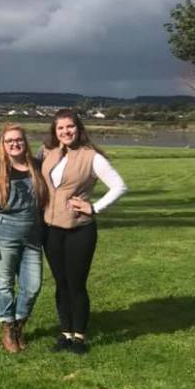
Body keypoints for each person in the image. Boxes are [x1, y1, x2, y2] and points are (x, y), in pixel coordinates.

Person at [41, 109, 127, 354]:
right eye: (60, 128)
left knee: (76, 284)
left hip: (80, 230)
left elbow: (119, 186)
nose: (66, 132)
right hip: (52, 230)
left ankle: (79, 337)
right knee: (60, 283)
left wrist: (94, 207)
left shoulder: (92, 157)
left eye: (70, 127)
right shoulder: (47, 152)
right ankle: (65, 333)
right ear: (54, 131)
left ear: (78, 128)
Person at [0, 124, 48, 353]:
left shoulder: (37, 166)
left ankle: (19, 324)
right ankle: (7, 328)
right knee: (4, 285)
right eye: (10, 141)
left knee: (33, 285)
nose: (15, 144)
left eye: (19, 140)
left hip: (32, 237)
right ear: (3, 144)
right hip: (3, 235)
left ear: (25, 142)